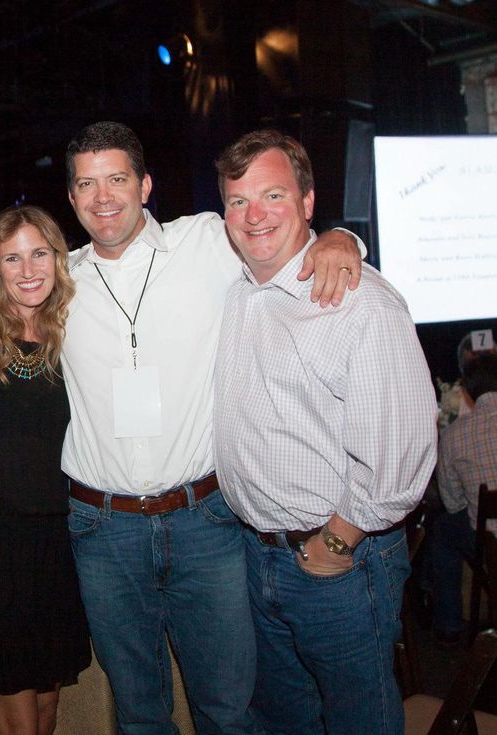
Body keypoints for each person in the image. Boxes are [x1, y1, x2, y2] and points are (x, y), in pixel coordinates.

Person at [60, 121, 365, 735]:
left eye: (117, 179)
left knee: (228, 710)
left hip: (206, 522)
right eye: (86, 184)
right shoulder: (56, 280)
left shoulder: (207, 241)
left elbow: (280, 235)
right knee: (140, 715)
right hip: (103, 528)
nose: (102, 197)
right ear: (71, 199)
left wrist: (341, 237)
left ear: (145, 185)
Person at [212, 129, 437, 734]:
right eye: (237, 202)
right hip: (256, 558)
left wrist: (334, 545)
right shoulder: (237, 292)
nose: (254, 216)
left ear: (309, 202)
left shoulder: (359, 303)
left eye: (273, 196)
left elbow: (401, 457)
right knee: (289, 722)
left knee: (358, 719)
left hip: (337, 562)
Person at [0, 205, 91, 735]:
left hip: (55, 546)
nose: (28, 269)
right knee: (19, 726)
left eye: (39, 254)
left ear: (58, 259)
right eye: (12, 257)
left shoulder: (71, 331)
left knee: (48, 714)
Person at [431, 351, 497, 641]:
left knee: (443, 530)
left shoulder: (456, 434)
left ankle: (449, 625)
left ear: (468, 391)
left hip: (490, 544)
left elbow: (453, 501)